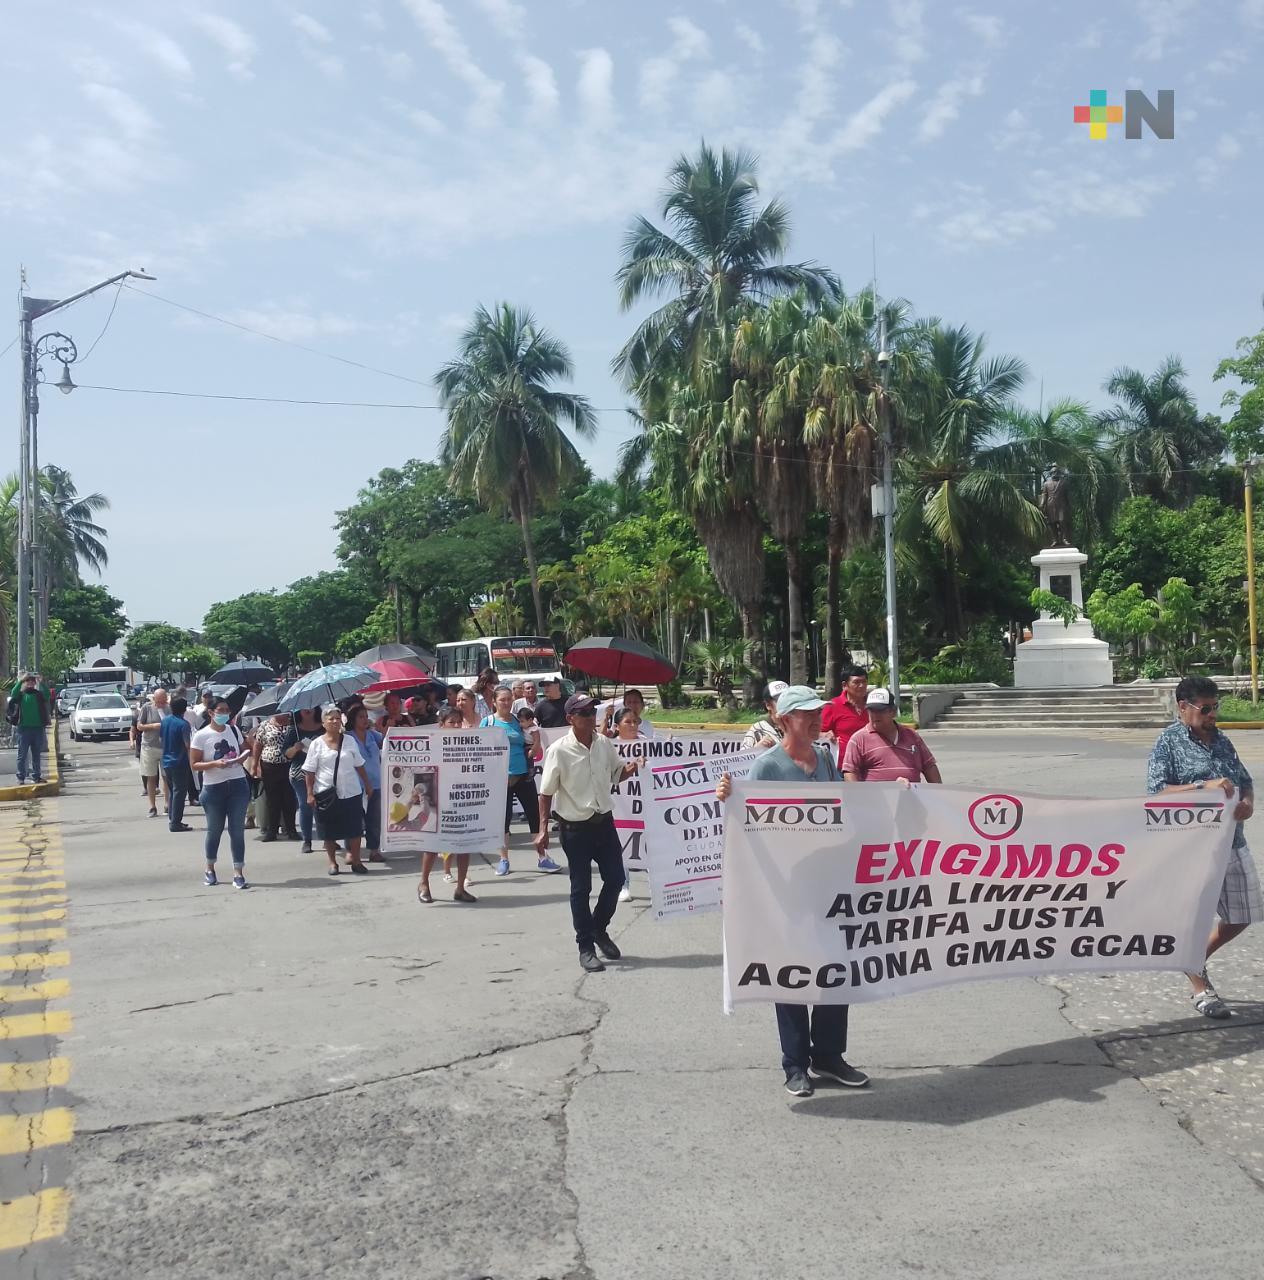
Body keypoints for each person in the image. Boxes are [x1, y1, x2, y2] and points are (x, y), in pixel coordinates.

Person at [716, 686, 870, 1098]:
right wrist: (729, 800)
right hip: (786, 889)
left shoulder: (825, 759)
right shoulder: (767, 768)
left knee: (836, 970)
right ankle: (795, 1063)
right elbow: (751, 825)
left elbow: (845, 809)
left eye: (818, 713)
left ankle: (830, 1056)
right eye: (806, 715)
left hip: (829, 884)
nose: (817, 721)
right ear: (785, 720)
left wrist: (897, 801)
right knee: (792, 973)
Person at [1146, 675, 1260, 1019]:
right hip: (1189, 848)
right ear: (1184, 707)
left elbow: (1245, 781)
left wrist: (1248, 803)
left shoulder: (1223, 741)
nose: (1212, 715)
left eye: (1215, 707)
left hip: (1231, 841)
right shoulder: (1168, 742)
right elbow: (1156, 792)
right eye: (1206, 708)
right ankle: (1200, 986)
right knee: (1192, 919)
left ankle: (1192, 958)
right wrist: (1202, 786)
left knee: (1243, 915)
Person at [536, 694, 641, 972]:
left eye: (591, 711)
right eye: (583, 713)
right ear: (570, 718)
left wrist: (632, 768)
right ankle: (585, 947)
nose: (589, 716)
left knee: (616, 879)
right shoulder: (559, 750)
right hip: (575, 829)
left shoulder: (604, 744)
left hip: (604, 823)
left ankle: (598, 928)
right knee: (581, 888)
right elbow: (545, 793)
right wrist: (542, 829)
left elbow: (616, 774)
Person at [482, 685, 557, 876]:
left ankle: (542, 857)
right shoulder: (487, 722)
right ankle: (504, 860)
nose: (506, 703)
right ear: (494, 702)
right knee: (503, 820)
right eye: (502, 700)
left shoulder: (519, 721)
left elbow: (532, 743)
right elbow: (479, 750)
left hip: (524, 775)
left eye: (509, 699)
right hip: (500, 779)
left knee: (534, 816)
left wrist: (536, 744)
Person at [189, 697, 251, 890]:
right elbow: (194, 764)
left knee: (237, 831)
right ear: (211, 712)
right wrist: (214, 764)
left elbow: (245, 750)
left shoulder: (233, 730)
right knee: (214, 830)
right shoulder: (201, 735)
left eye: (227, 710)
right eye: (221, 710)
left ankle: (238, 872)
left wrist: (243, 756)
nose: (225, 713)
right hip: (213, 787)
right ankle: (210, 868)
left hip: (237, 784)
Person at [304, 705, 372, 876]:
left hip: (351, 791)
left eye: (337, 718)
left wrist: (368, 785)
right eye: (330, 719)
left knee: (355, 829)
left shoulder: (349, 741)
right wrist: (310, 793)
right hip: (326, 793)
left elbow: (359, 765)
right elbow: (309, 771)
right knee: (328, 830)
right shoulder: (316, 744)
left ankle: (356, 861)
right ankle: (333, 862)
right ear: (323, 722)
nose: (334, 721)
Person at [419, 707, 478, 904]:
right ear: (441, 724)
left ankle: (460, 888)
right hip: (438, 800)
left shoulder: (467, 744)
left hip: (461, 799)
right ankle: (424, 883)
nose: (455, 725)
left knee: (464, 844)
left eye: (457, 722)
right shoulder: (431, 745)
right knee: (433, 845)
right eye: (450, 722)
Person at [842, 688, 942, 784]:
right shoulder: (859, 739)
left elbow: (929, 766)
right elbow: (850, 772)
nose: (875, 715)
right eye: (871, 710)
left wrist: (939, 795)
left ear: (893, 712)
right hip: (875, 800)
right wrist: (858, 797)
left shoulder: (912, 736)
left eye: (880, 710)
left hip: (911, 799)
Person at [348, 704, 385, 862]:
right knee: (353, 819)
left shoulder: (373, 735)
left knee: (374, 819)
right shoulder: (347, 737)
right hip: (355, 785)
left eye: (365, 716)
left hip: (376, 783)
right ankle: (350, 851)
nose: (364, 719)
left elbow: (388, 743)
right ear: (353, 719)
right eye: (360, 717)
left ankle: (374, 850)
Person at [253, 712, 299, 843]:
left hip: (289, 765)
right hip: (269, 766)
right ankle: (271, 831)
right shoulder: (265, 725)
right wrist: (255, 765)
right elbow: (258, 745)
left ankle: (291, 830)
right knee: (273, 800)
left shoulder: (293, 724)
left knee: (289, 800)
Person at [282, 707, 322, 853]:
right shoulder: (293, 730)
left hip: (322, 773)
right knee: (306, 805)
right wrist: (295, 748)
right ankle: (307, 840)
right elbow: (286, 754)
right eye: (304, 708)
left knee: (323, 806)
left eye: (311, 707)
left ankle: (327, 839)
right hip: (300, 773)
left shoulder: (324, 727)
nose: (307, 710)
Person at [821, 666, 869, 767]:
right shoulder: (832, 706)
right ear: (844, 685)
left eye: (864, 682)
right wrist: (824, 735)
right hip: (842, 765)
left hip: (870, 764)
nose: (861, 686)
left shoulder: (874, 706)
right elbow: (815, 732)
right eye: (856, 682)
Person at [7, 672, 50, 785]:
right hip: (23, 729)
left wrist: (42, 682)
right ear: (25, 683)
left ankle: (37, 776)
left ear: (35, 683)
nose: (30, 683)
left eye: (32, 681)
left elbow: (47, 695)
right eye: (28, 681)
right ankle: (21, 777)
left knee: (36, 754)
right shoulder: (21, 695)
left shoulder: (39, 694)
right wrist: (20, 680)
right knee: (22, 754)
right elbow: (13, 693)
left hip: (37, 729)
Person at [160, 696, 194, 832]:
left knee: (174, 791)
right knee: (180, 792)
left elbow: (161, 737)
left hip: (166, 760)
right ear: (185, 709)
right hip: (179, 762)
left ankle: (173, 818)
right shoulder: (184, 724)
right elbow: (187, 745)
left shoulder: (165, 721)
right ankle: (175, 822)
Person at [134, 688, 169, 817]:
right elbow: (139, 726)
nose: (161, 704)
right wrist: (153, 726)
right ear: (154, 699)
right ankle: (152, 806)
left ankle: (167, 804)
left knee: (166, 777)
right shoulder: (147, 708)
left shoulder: (169, 709)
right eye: (158, 701)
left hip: (165, 747)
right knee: (151, 777)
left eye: (163, 701)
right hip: (149, 746)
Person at [742, 680, 790, 751]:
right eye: (779, 700)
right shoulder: (758, 730)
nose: (785, 703)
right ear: (768, 705)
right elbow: (742, 758)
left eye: (788, 699)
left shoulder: (799, 726)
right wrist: (757, 749)